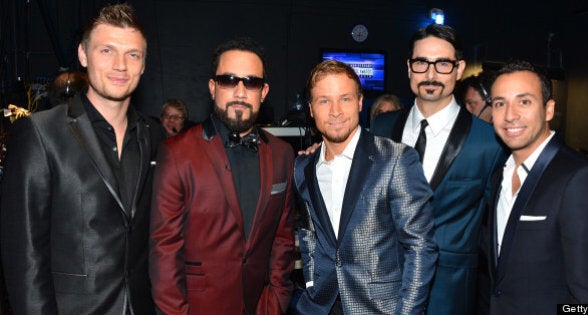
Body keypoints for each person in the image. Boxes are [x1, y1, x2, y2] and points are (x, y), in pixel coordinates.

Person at [0, 3, 162, 314]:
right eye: (106, 51)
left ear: (143, 65)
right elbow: (24, 259)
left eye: (133, 54)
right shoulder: (40, 134)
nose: (120, 65)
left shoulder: (153, 136)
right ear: (83, 55)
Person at [149, 37, 295, 314]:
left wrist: (275, 302)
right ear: (213, 88)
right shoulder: (176, 152)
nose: (240, 91)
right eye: (229, 80)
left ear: (263, 92)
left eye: (251, 82)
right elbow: (164, 252)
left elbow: (282, 241)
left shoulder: (282, 154)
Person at [370, 24, 506, 315]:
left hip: (450, 294)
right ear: (409, 68)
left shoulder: (489, 142)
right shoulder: (381, 128)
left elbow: (499, 230)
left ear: (458, 69)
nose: (430, 75)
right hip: (382, 286)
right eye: (421, 63)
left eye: (442, 64)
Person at [294, 59, 437, 314]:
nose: (335, 111)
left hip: (379, 308)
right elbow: (308, 232)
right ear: (311, 109)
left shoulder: (396, 159)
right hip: (320, 306)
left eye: (345, 99)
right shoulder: (303, 166)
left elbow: (420, 247)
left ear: (360, 102)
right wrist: (311, 281)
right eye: (324, 100)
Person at [477, 60, 588, 314]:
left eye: (524, 101)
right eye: (500, 103)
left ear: (549, 109)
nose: (510, 115)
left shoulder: (583, 179)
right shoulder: (499, 174)